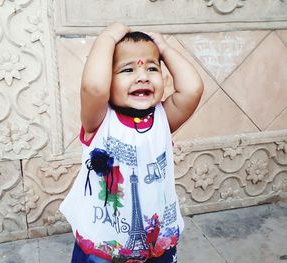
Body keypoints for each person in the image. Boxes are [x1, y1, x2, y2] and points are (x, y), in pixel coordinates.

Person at [60, 22, 204, 263]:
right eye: (127, 70)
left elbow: (193, 88)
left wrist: (165, 48)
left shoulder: (162, 117)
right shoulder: (99, 120)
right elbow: (93, 87)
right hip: (105, 239)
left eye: (151, 68)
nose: (142, 77)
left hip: (155, 238)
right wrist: (106, 37)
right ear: (108, 79)